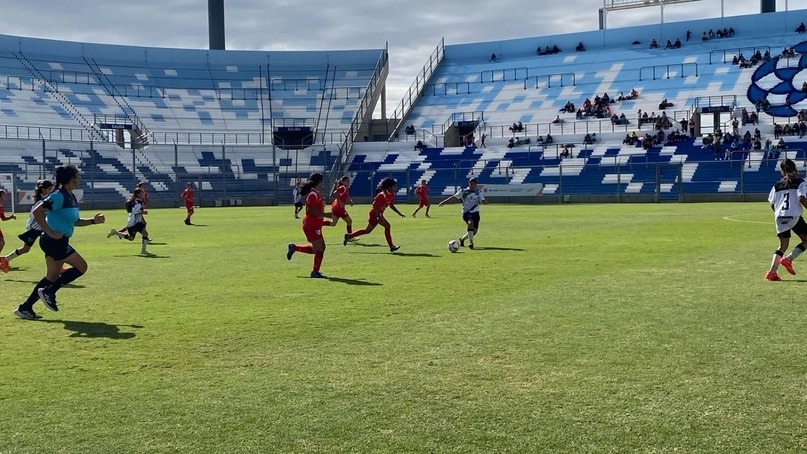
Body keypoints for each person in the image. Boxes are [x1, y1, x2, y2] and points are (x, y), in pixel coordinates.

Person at [14, 165, 106, 320]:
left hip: (56, 241)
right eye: (78, 175)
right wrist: (50, 231)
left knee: (51, 276)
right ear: (72, 179)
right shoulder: (58, 195)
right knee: (81, 267)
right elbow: (37, 211)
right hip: (54, 241)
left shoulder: (70, 196)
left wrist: (93, 221)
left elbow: (74, 221)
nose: (80, 178)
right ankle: (49, 291)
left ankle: (25, 307)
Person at [765, 159, 807, 281]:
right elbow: (802, 198)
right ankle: (788, 259)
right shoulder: (800, 182)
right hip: (793, 215)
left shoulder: (777, 185)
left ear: (782, 171)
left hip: (779, 216)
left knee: (782, 246)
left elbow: (772, 204)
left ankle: (772, 272)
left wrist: (780, 214)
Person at [286, 172, 334, 278]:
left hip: (314, 225)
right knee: (320, 248)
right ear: (319, 182)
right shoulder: (313, 194)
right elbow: (310, 210)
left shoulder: (315, 193)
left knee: (318, 249)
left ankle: (294, 248)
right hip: (311, 225)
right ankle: (315, 272)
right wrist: (326, 214)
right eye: (322, 181)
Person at [0, 180, 53, 273]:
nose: (51, 191)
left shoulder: (44, 199)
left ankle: (5, 260)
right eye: (49, 189)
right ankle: (5, 259)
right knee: (45, 245)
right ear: (43, 190)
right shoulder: (40, 201)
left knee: (29, 248)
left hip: (39, 226)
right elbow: (39, 213)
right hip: (35, 227)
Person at [343, 177, 405, 252]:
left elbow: (391, 205)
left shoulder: (391, 194)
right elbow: (374, 204)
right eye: (394, 186)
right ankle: (391, 246)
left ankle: (349, 236)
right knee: (387, 226)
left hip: (378, 214)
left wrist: (399, 213)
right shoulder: (382, 194)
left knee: (367, 230)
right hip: (374, 213)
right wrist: (378, 216)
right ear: (389, 187)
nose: (396, 188)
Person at [438, 177, 487, 250]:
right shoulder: (463, 191)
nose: (472, 185)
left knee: (474, 232)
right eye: (471, 184)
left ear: (476, 185)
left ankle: (462, 239)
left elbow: (483, 200)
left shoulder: (478, 192)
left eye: (473, 184)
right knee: (470, 223)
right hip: (466, 213)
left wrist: (484, 202)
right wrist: (444, 202)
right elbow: (454, 197)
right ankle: (471, 243)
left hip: (476, 213)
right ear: (469, 184)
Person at [107, 188, 151, 255]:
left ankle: (116, 232)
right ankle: (143, 251)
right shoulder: (138, 202)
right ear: (138, 194)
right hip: (133, 222)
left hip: (136, 221)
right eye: (142, 193)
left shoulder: (137, 201)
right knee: (140, 235)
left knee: (135, 237)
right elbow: (134, 211)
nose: (144, 194)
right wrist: (143, 212)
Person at [0, 189, 17, 268]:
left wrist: (11, 217)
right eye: (4, 195)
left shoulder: (1, 207)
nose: (5, 196)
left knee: (2, 243)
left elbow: (3, 218)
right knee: (1, 243)